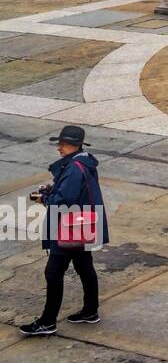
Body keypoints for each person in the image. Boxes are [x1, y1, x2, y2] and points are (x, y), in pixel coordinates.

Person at [20, 125, 107, 336]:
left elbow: (64, 201)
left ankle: (47, 322)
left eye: (61, 144)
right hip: (81, 224)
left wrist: (44, 198)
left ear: (71, 145)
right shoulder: (82, 163)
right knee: (84, 266)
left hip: (68, 228)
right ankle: (90, 311)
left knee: (53, 272)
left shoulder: (74, 168)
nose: (58, 148)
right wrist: (52, 189)